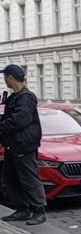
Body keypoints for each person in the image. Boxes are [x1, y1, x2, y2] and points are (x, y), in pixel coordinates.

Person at [0, 64, 47, 225]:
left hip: (24, 144)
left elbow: (17, 121)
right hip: (12, 143)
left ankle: (39, 210)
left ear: (10, 77)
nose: (4, 79)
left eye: (5, 76)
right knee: (10, 177)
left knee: (29, 178)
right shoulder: (14, 97)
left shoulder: (26, 98)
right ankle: (22, 209)